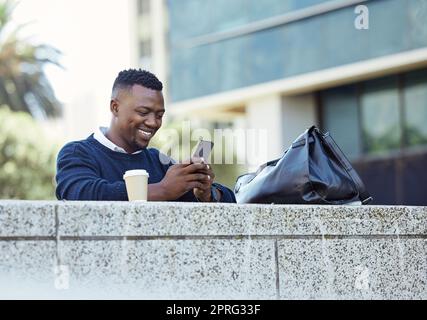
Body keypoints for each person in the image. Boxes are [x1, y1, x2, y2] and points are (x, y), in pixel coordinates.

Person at [55, 69, 236, 202]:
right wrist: (162, 190)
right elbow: (82, 195)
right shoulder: (77, 153)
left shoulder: (158, 160)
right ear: (115, 107)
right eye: (143, 112)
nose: (153, 122)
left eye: (159, 115)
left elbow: (230, 201)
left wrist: (206, 193)